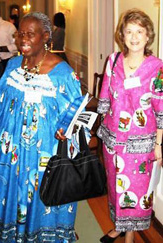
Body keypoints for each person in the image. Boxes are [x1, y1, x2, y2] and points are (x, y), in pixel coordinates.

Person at [0, 12, 83, 243]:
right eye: (21, 34)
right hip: (10, 149)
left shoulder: (63, 73)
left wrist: (67, 132)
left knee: (39, 197)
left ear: (46, 36)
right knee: (8, 191)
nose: (23, 39)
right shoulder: (13, 65)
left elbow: (76, 114)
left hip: (44, 153)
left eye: (30, 34)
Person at [97, 9, 163, 243]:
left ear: (148, 36)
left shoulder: (156, 67)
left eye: (140, 32)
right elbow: (104, 97)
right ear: (122, 36)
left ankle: (130, 236)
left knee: (135, 192)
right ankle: (118, 227)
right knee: (115, 187)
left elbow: (161, 107)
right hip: (113, 139)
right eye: (129, 32)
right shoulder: (112, 61)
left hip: (141, 143)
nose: (134, 37)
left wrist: (159, 144)